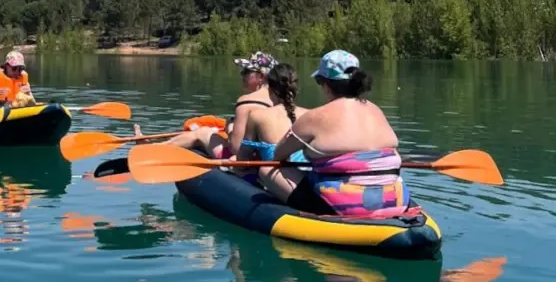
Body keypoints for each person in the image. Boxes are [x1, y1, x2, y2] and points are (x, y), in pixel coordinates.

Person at [263, 50, 408, 218]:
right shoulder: (376, 111)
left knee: (267, 169)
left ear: (325, 84)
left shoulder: (315, 116)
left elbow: (278, 154)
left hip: (344, 208)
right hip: (396, 201)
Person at [161, 50, 278, 159]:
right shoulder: (280, 99)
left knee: (203, 132)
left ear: (261, 76)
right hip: (267, 158)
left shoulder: (247, 102)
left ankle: (157, 148)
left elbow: (235, 149)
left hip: (243, 161)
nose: (242, 75)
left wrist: (230, 127)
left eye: (246, 71)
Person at [236, 62, 307, 164]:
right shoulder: (310, 115)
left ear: (270, 87)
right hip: (307, 172)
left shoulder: (257, 116)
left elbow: (242, 160)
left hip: (274, 175)